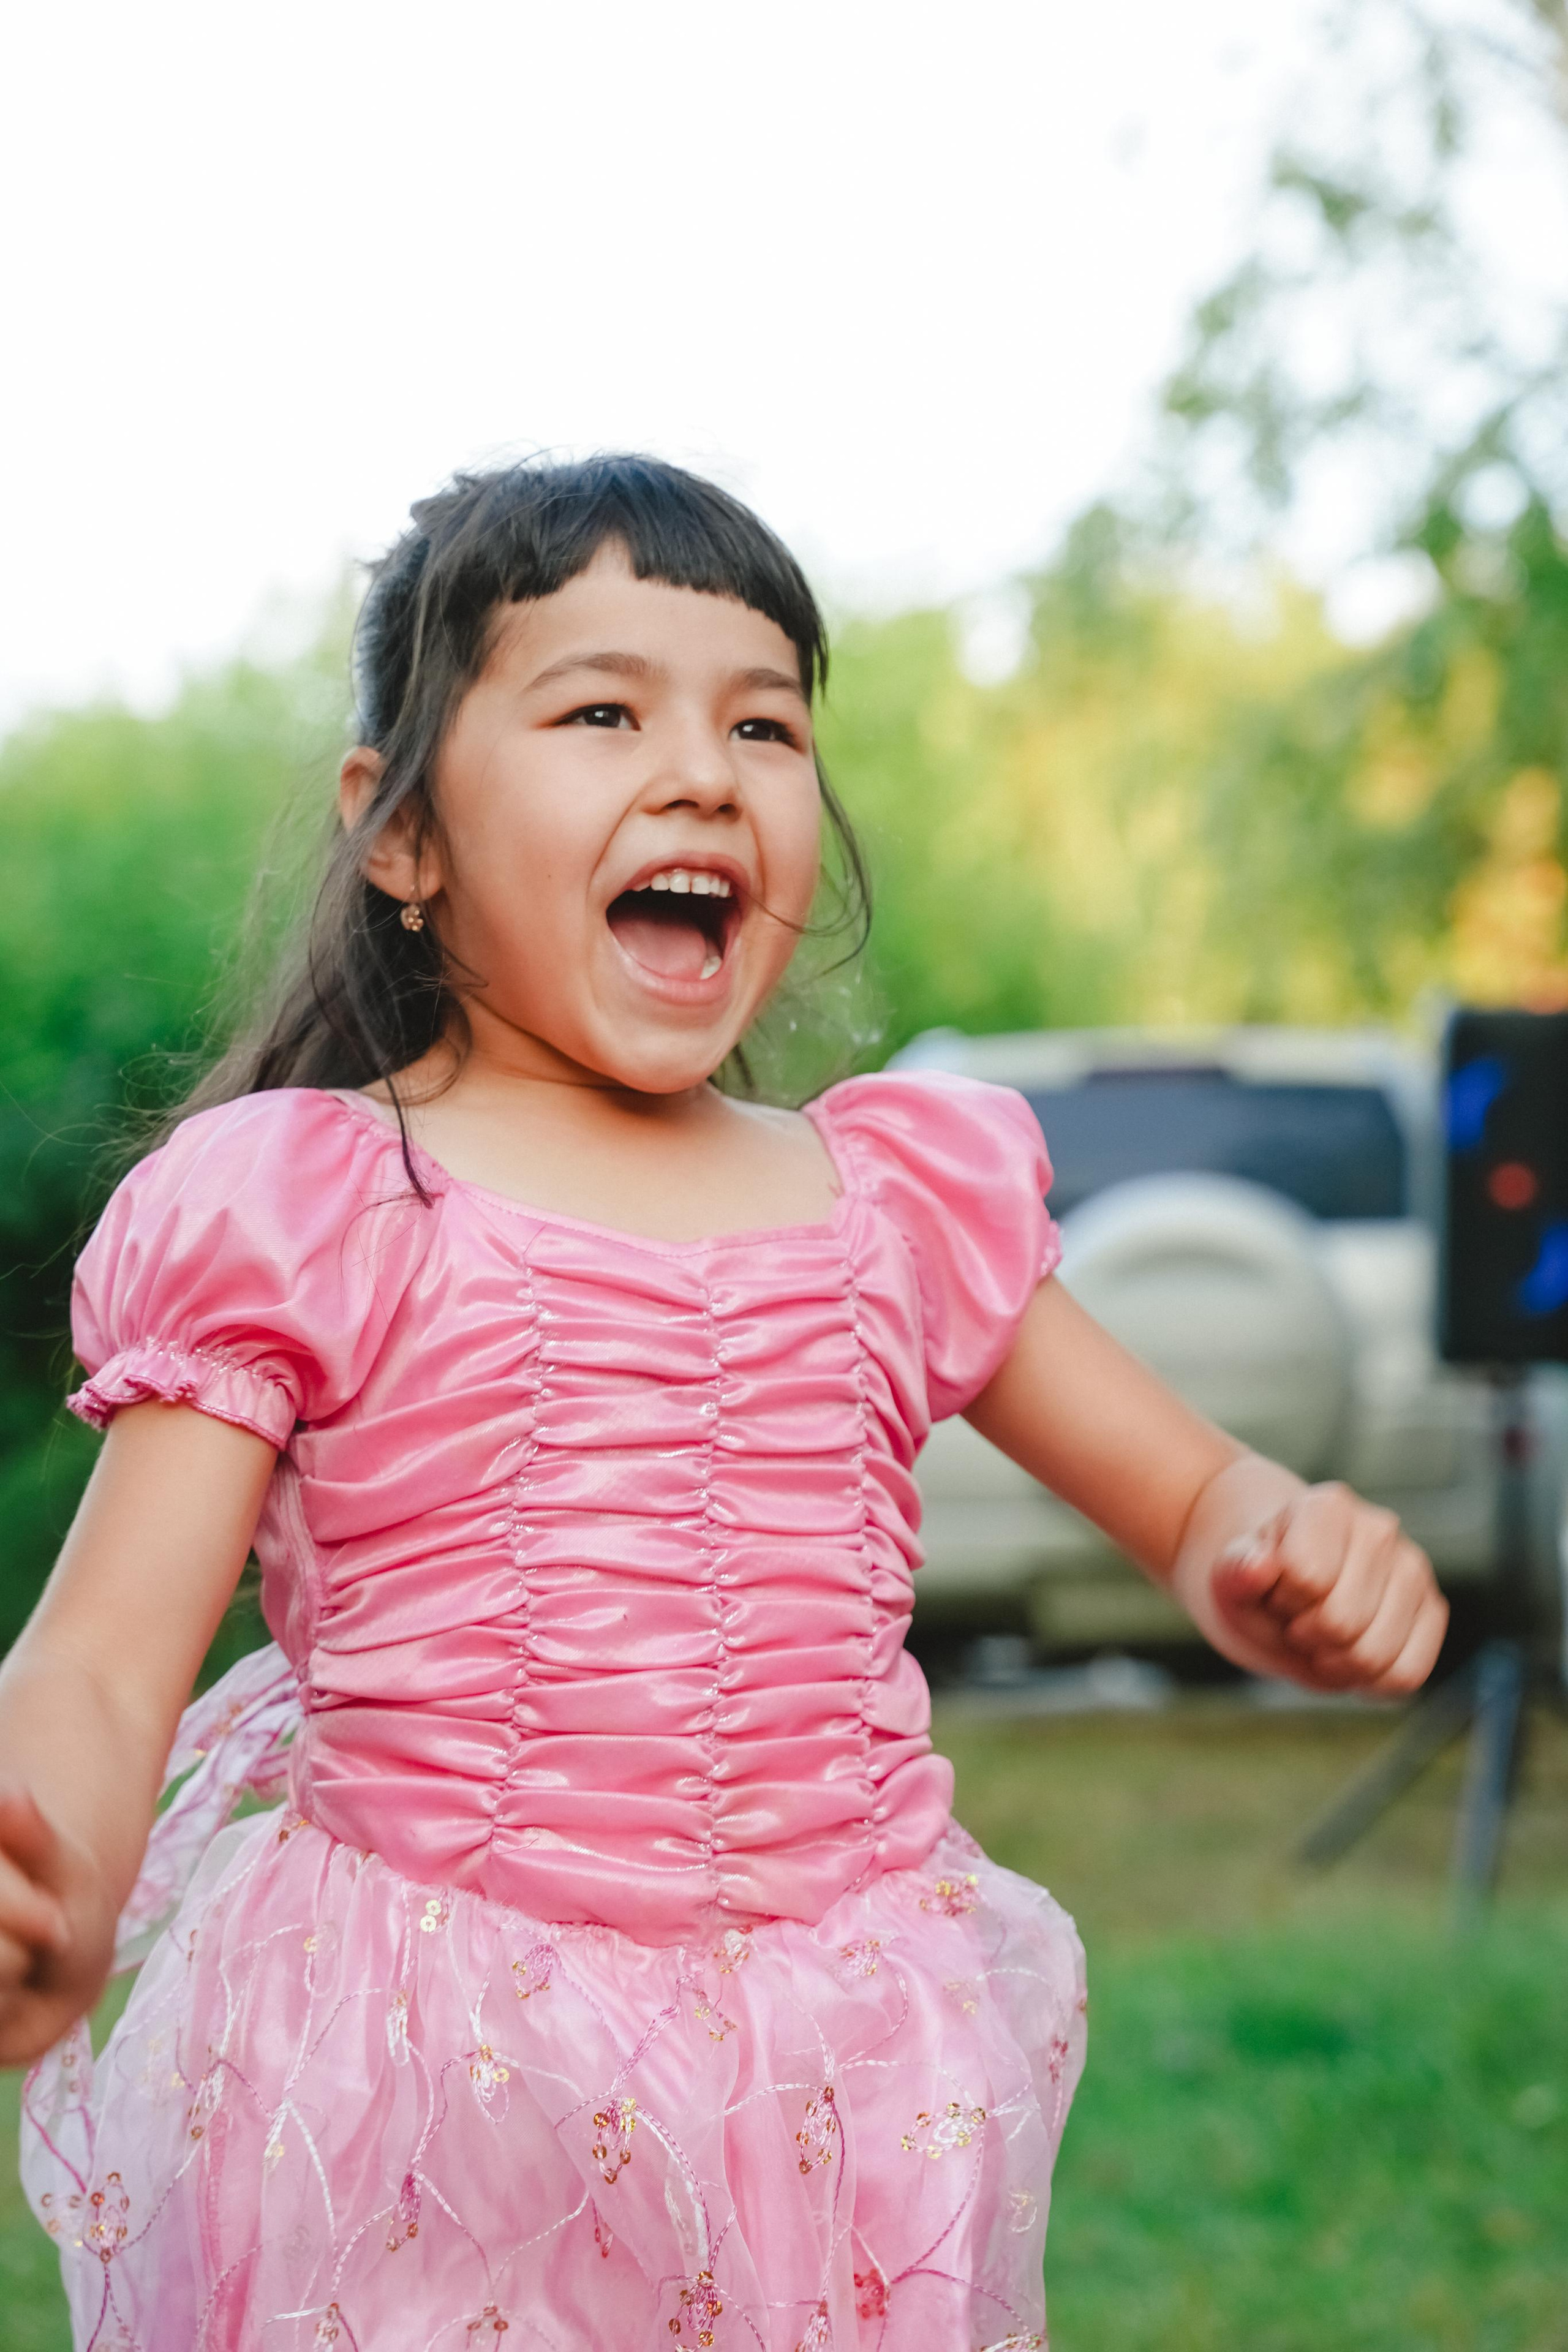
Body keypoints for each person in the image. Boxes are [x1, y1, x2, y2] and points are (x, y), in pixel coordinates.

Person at [0, 454, 1447, 2351]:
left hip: (836, 2071)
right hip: (446, 2071)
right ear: (401, 830)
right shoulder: (329, 1199)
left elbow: (1191, 1497)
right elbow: (110, 1663)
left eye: (763, 722)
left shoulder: (888, 1197)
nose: (704, 770)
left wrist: (1273, 1547)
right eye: (602, 709)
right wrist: (54, 1858)